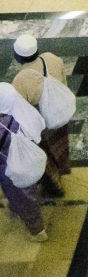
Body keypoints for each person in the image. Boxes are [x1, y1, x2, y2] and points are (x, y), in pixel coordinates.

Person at [11, 35, 71, 194]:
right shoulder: (51, 58)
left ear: (17, 57)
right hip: (59, 113)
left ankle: (55, 184)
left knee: (46, 151)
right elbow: (64, 83)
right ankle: (63, 167)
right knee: (60, 145)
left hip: (42, 122)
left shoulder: (20, 79)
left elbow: (22, 110)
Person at [0, 84, 48, 239]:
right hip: (30, 160)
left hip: (12, 169)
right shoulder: (23, 111)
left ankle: (38, 231)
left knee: (22, 198)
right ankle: (18, 206)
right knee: (28, 191)